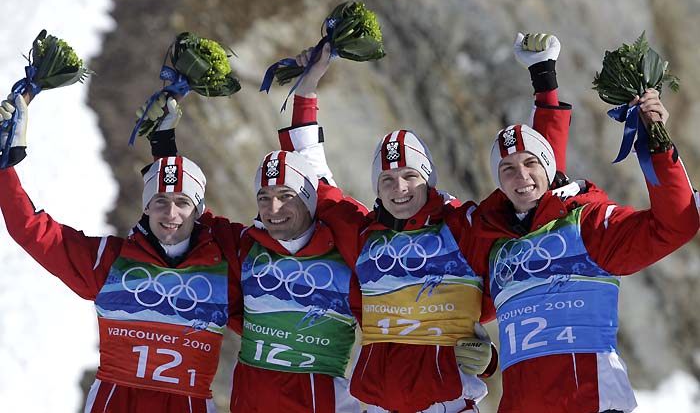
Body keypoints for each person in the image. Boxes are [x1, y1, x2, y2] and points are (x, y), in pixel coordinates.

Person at [277, 32, 571, 412]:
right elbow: (309, 172)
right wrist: (308, 89)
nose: (399, 188)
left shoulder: (464, 226)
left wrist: (543, 79)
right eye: (387, 179)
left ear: (428, 179)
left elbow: (537, 185)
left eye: (410, 176)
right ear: (377, 190)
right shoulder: (362, 233)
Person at [0, 92, 234, 412]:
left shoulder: (222, 270)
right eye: (160, 203)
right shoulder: (111, 262)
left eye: (183, 203)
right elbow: (32, 231)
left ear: (198, 211)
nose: (171, 214)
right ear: (146, 208)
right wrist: (5, 169)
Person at [472, 89, 699, 412]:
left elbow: (675, 226)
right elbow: (454, 311)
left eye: (530, 163)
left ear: (548, 167)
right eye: (507, 169)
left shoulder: (588, 225)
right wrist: (483, 355)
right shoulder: (497, 248)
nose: (521, 176)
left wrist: (656, 144)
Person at [144, 97, 365, 412]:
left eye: (285, 196)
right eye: (265, 197)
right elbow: (181, 216)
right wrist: (162, 143)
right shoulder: (246, 245)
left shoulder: (345, 254)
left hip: (322, 402)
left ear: (307, 200)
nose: (274, 209)